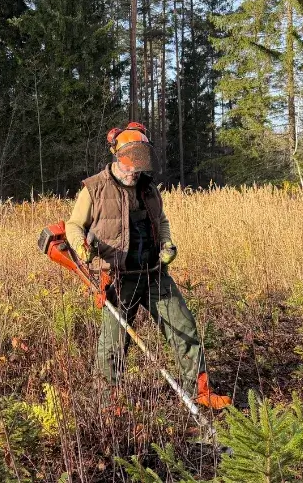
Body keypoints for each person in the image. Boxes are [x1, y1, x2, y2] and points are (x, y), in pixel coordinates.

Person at [64, 122, 231, 409]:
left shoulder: (149, 189)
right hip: (117, 278)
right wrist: (82, 247)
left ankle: (201, 391)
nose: (134, 171)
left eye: (139, 165)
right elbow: (74, 225)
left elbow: (162, 222)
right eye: (129, 164)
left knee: (184, 326)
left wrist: (167, 245)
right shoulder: (94, 189)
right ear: (117, 157)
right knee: (113, 345)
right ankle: (109, 402)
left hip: (154, 273)